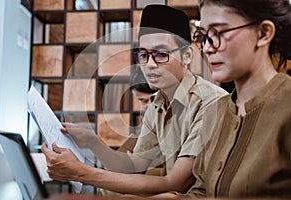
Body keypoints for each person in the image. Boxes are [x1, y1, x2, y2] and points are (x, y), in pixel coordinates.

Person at [41, 4, 227, 196]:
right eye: (143, 55)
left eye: (161, 54)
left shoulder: (210, 102)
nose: (150, 65)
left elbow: (176, 183)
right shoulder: (157, 105)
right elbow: (135, 166)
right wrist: (91, 141)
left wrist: (82, 173)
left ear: (187, 55)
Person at [156, 0, 291, 198]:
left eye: (218, 33)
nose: (207, 49)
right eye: (203, 36)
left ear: (263, 34)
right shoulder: (214, 111)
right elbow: (202, 192)